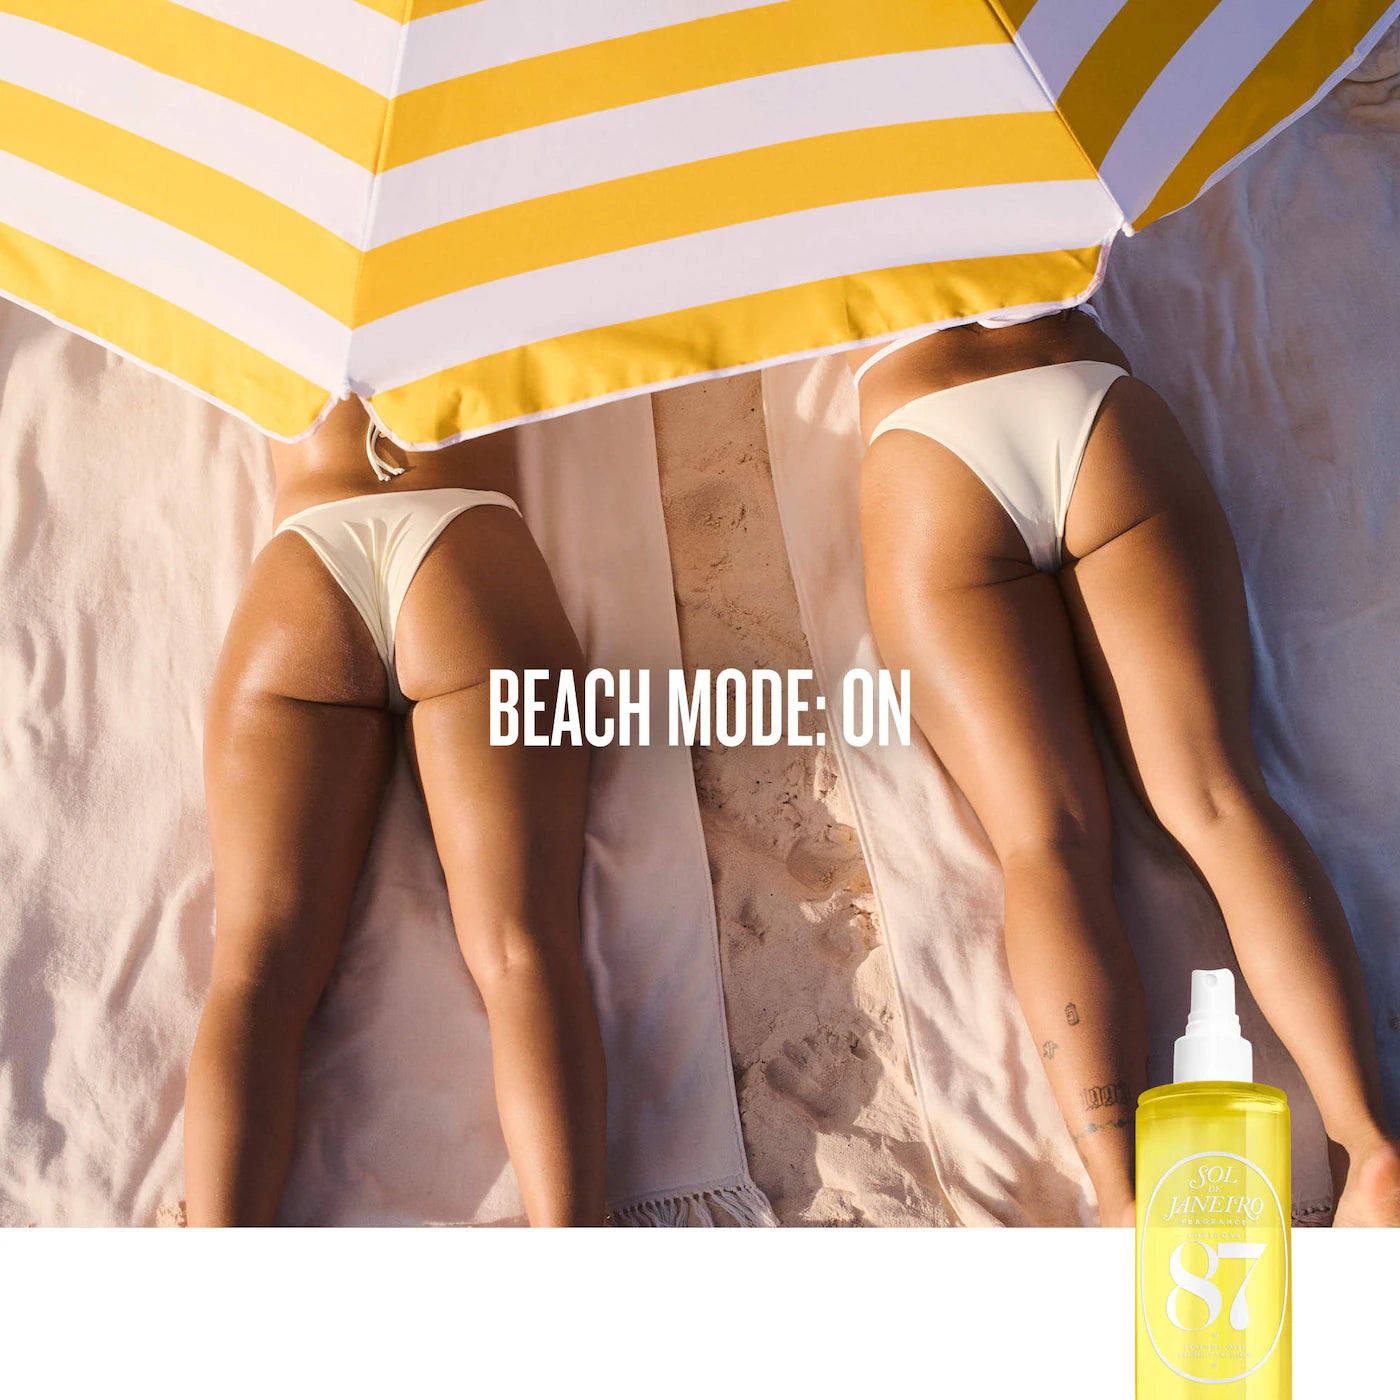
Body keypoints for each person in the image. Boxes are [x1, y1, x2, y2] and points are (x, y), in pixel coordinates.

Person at [846, 306, 1400, 1226]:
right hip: (1091, 400)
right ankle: (1369, 1143)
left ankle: (1127, 1195)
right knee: (1221, 800)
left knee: (1046, 844)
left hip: (925, 439)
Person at [183, 398, 607, 1226]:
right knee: (524, 952)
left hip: (309, 552)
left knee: (255, 975)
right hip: (465, 542)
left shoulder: (262, 307)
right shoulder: (490, 297)